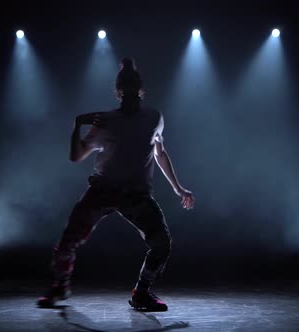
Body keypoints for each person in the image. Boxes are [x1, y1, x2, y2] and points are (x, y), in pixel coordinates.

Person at [37, 57, 194, 311]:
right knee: (69, 239)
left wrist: (178, 188)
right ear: (119, 92)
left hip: (135, 195)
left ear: (140, 90)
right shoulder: (106, 121)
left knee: (161, 243)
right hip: (103, 190)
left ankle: (141, 293)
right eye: (126, 89)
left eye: (134, 88)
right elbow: (76, 156)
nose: (130, 93)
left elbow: (160, 153)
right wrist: (77, 124)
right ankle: (60, 287)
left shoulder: (154, 118)